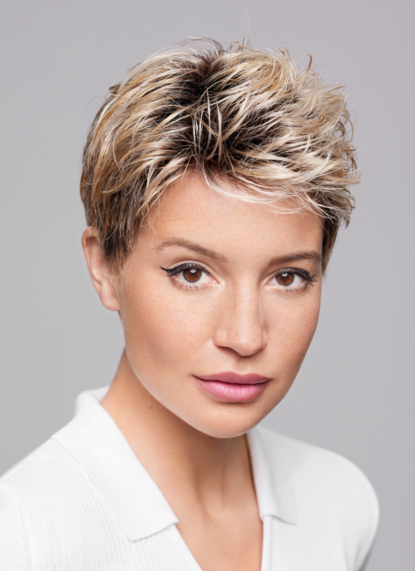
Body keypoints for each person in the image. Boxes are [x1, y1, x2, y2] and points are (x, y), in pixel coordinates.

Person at [0, 39, 379, 570]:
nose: (244, 337)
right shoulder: (24, 535)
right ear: (104, 266)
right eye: (192, 273)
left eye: (288, 277)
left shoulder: (340, 504)